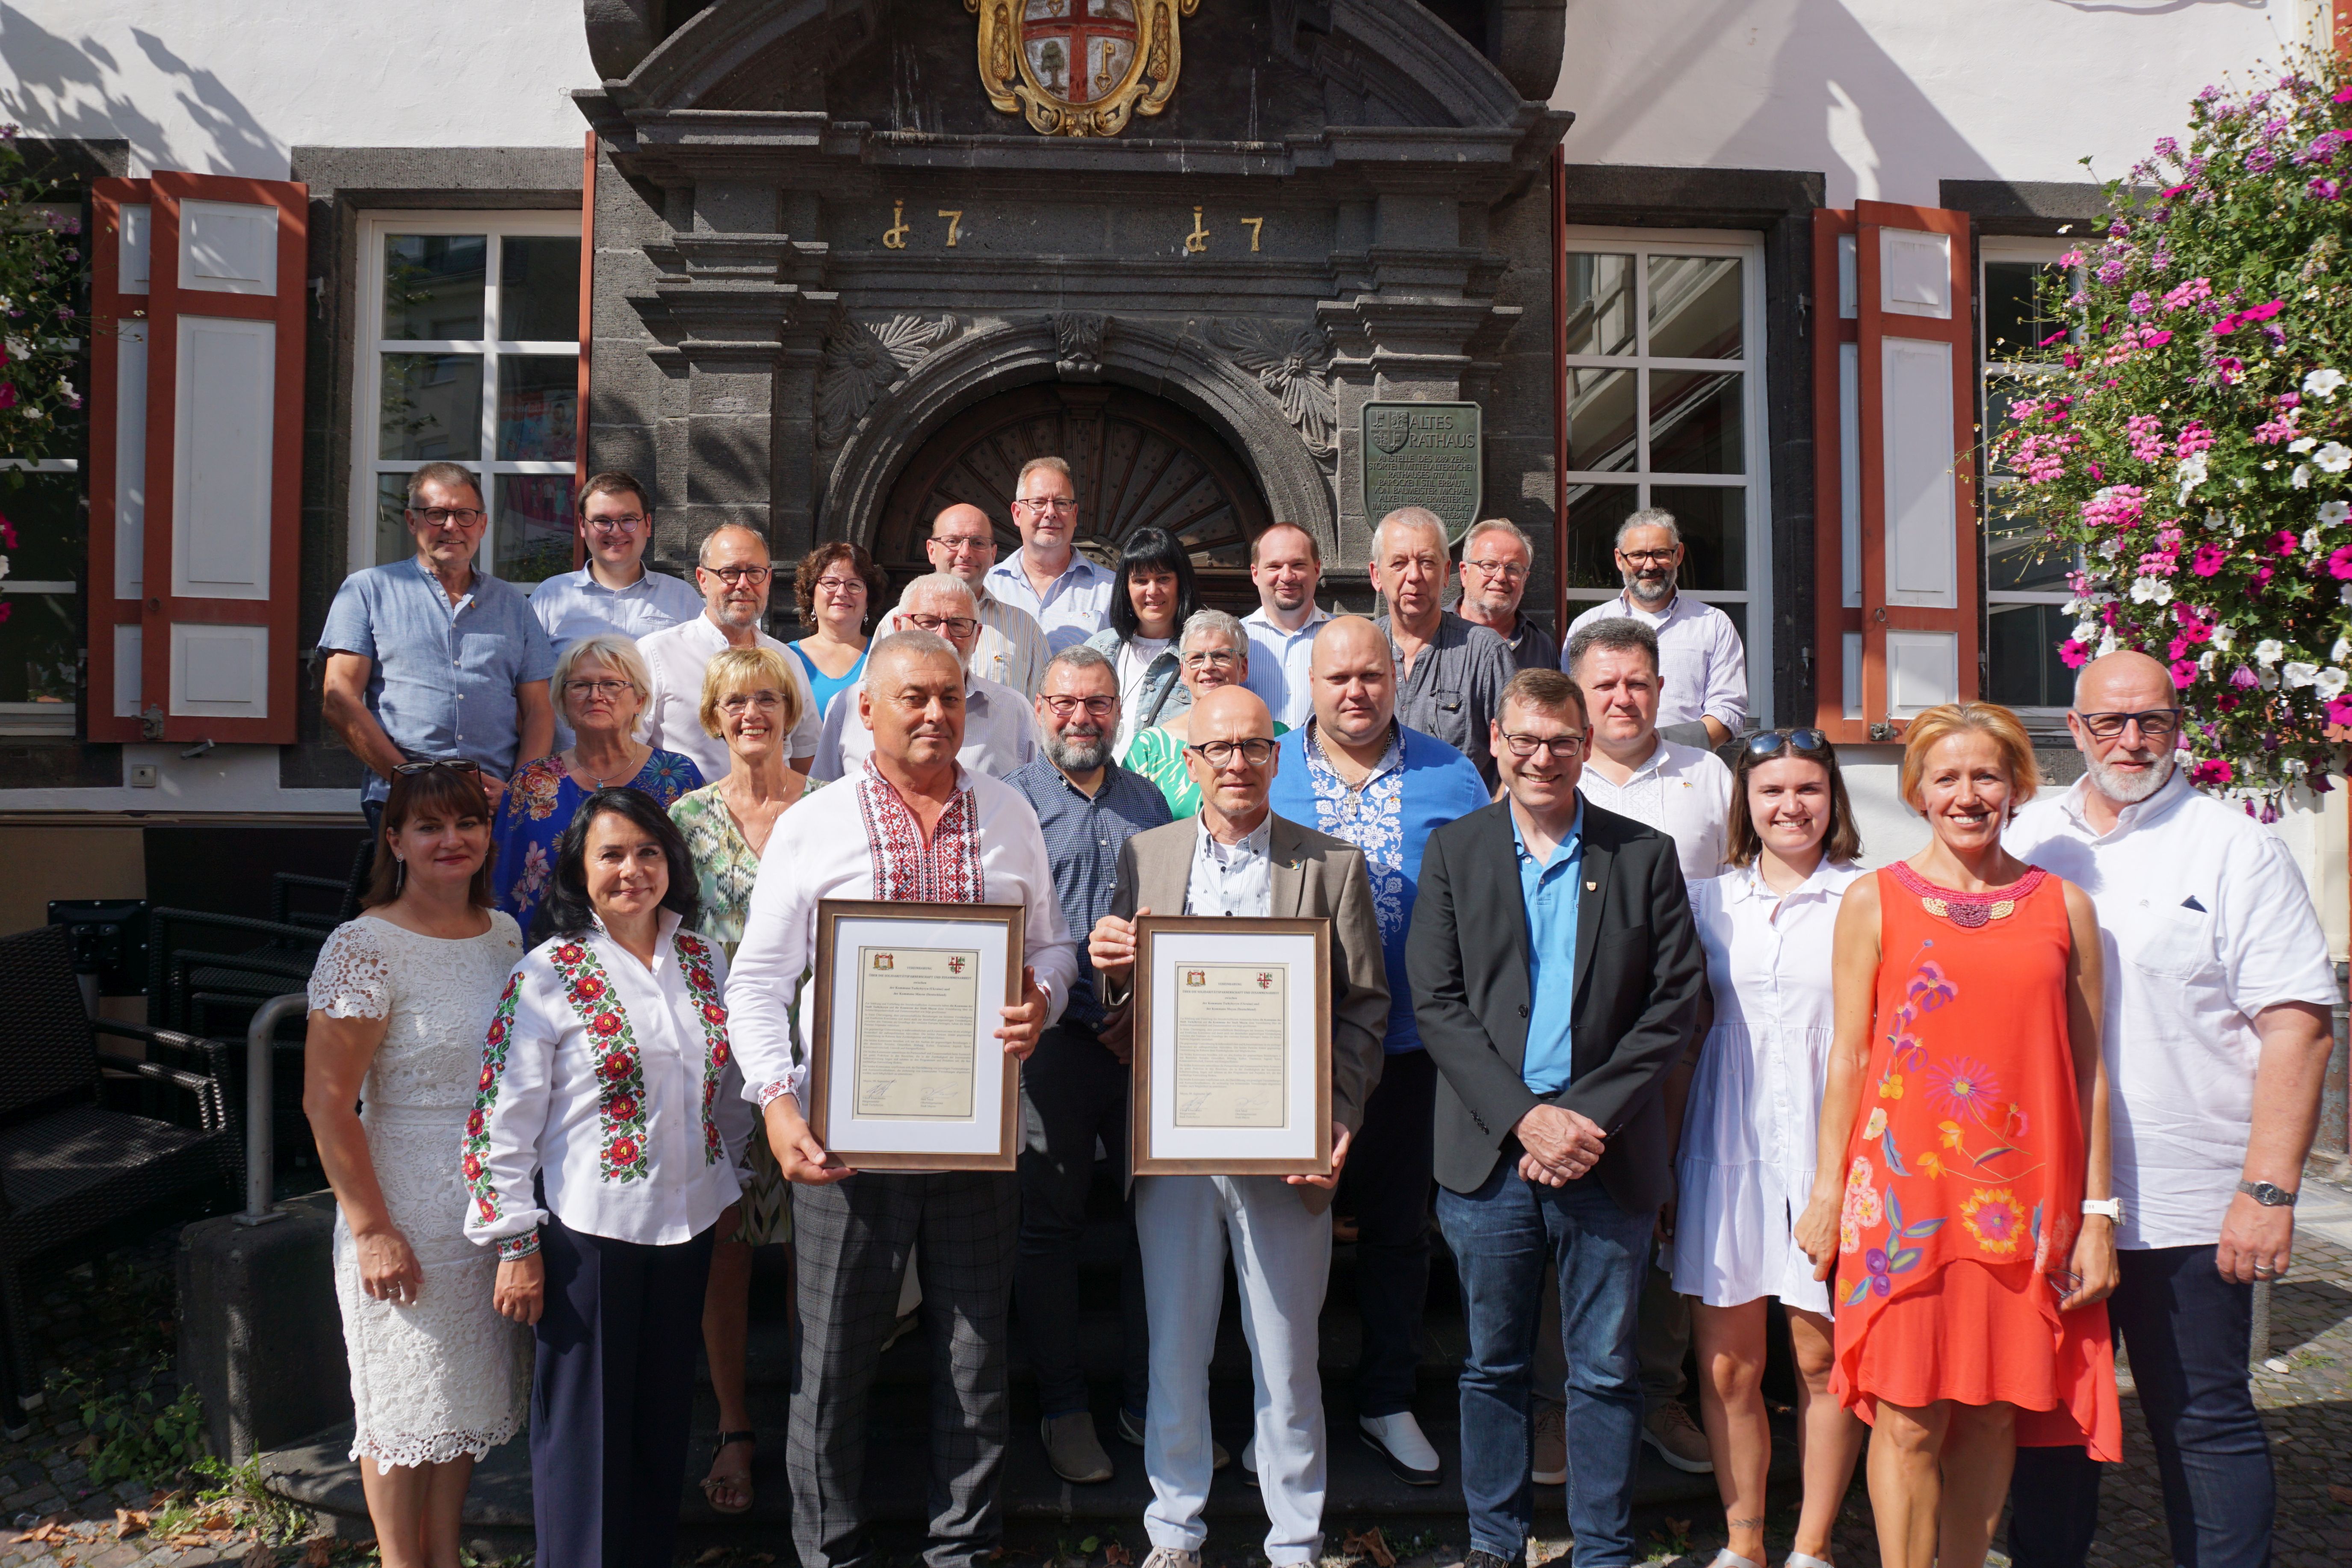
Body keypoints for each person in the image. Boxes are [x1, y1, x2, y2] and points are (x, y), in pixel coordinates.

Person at [726, 629, 1077, 1568]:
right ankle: (829, 1556)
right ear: (867, 710)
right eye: (913, 697)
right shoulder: (817, 822)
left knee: (973, 1371)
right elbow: (757, 983)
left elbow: (1052, 947)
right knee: (832, 1370)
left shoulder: (1008, 813)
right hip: (843, 1146)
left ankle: (962, 1551)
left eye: (951, 698)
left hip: (975, 1144)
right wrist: (776, 1104)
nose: (934, 714)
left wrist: (1039, 1001)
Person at [2004, 651, 2337, 1568]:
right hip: (2048, 1196)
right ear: (2072, 730)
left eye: (2149, 720)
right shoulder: (2028, 838)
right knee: (2049, 1422)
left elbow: (2298, 1027)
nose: (2130, 740)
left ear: (2178, 727)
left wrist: (2265, 1194)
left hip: (2188, 1199)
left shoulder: (2234, 847)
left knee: (2202, 1420)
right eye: (2107, 722)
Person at [1793, 703, 2120, 1568]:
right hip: (1901, 1201)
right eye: (1946, 777)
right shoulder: (1873, 900)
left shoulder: (2065, 909)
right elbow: (1848, 1060)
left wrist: (2097, 1213)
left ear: (2016, 787)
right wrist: (1828, 1194)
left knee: (1989, 1410)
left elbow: (2088, 1072)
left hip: (2024, 1206)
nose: (1967, 795)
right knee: (1903, 1417)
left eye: (1986, 776)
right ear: (1916, 792)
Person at [1406, 667, 1706, 1568]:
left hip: (1603, 1157)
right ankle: (1494, 1544)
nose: (1543, 758)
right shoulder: (1456, 850)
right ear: (1495, 742)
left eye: (1561, 743)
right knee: (1492, 1367)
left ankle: (1603, 1550)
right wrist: (1523, 1120)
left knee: (1606, 1371)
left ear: (1586, 748)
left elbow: (1673, 1002)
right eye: (1525, 740)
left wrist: (1579, 1120)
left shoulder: (1641, 854)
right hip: (1489, 1158)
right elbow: (1437, 1000)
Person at [1087, 685, 1390, 1568]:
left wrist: (1336, 1117)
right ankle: (1173, 1528)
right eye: (1217, 749)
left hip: (1286, 1148)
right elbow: (1124, 1003)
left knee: (1289, 1358)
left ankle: (1293, 1536)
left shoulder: (1331, 864)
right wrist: (1110, 969)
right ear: (1189, 762)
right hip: (1175, 1150)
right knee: (1174, 1351)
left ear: (1277, 756)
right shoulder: (1148, 853)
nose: (1235, 764)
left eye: (1254, 747)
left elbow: (1364, 1007)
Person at [465, 788, 752, 1568]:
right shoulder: (549, 972)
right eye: (612, 854)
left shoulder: (702, 958)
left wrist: (725, 1184)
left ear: (672, 861)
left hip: (687, 1228)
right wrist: (515, 1241)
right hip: (587, 1237)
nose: (633, 870)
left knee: (660, 1427)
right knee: (585, 1439)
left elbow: (724, 1091)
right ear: (580, 869)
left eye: (648, 852)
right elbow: (501, 1116)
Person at [1263, 614, 1489, 1487]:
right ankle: (1288, 1410)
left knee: (1398, 1231)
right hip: (1289, 1044)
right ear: (1308, 688)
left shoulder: (1452, 773)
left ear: (1394, 678)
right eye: (1336, 679)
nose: (1354, 692)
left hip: (1410, 1045)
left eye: (1369, 676)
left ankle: (1385, 1395)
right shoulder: (1268, 765)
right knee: (1287, 1235)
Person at [300, 762, 529, 1568]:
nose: (450, 840)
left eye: (466, 823)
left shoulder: (505, 933)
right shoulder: (363, 946)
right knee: (401, 1414)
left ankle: (444, 1553)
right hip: (396, 1199)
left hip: (481, 1202)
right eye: (429, 827)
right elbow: (328, 1104)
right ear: (394, 839)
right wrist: (371, 1230)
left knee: (457, 1399)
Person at [1673, 730, 1868, 1568]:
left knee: (1821, 1359)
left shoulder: (1868, 896)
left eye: (1808, 789)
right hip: (1725, 1140)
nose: (1790, 806)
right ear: (1744, 806)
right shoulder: (1708, 900)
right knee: (1727, 1368)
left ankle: (1813, 1545)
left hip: (1833, 1150)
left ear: (1833, 799)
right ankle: (1742, 1542)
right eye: (1771, 791)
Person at [1552, 613, 1731, 1476]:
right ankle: (1561, 1399)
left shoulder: (1707, 776)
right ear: (1578, 697)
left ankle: (1658, 1391)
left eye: (1636, 683)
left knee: (1668, 1202)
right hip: (1574, 1038)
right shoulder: (1549, 772)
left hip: (1688, 1031)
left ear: (1661, 691)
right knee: (1572, 1207)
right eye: (1604, 685)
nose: (1621, 698)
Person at [1004, 646, 1176, 1483]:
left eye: (1098, 703)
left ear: (1118, 711)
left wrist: (1140, 1005)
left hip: (1141, 1046)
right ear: (1039, 708)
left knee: (1157, 1230)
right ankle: (1063, 1407)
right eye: (1066, 702)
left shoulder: (1150, 801)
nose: (1082, 717)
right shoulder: (1009, 805)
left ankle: (1149, 1405)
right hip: (1052, 1049)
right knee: (1049, 1228)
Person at [668, 646, 813, 1517]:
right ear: (713, 716)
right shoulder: (683, 818)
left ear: (790, 711)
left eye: (766, 699)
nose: (751, 714)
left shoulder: (828, 808)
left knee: (813, 1241)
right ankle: (732, 1423)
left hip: (813, 1055)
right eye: (734, 702)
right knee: (726, 1237)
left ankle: (809, 1412)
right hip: (715, 1060)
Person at [320, 461, 555, 825]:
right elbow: (339, 700)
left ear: (482, 524)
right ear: (412, 521)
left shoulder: (514, 605)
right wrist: (406, 779)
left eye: (464, 514)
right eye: (436, 514)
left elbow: (539, 711)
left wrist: (517, 791)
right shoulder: (367, 591)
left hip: (493, 801)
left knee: (494, 886)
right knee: (410, 886)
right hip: (402, 799)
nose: (451, 526)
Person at [490, 633, 704, 937]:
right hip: (548, 965)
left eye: (612, 684)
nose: (595, 695)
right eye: (580, 685)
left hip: (653, 959)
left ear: (639, 700)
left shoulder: (678, 778)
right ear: (563, 700)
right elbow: (501, 889)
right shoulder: (530, 785)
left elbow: (695, 882)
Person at [814, 573, 1043, 781]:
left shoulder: (1013, 710)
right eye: (928, 622)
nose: (943, 636)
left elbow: (1037, 803)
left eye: (958, 624)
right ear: (898, 627)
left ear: (977, 636)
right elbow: (823, 797)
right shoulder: (849, 703)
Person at [640, 523, 821, 783]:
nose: (744, 584)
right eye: (730, 572)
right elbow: (627, 753)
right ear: (703, 580)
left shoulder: (787, 659)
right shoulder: (656, 654)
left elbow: (806, 757)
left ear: (768, 579)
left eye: (755, 572)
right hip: (683, 819)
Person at [1565, 508, 1747, 748]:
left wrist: (1662, 749)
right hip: (1604, 771)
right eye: (1638, 555)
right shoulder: (1587, 625)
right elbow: (1570, 704)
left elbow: (1729, 711)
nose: (1650, 565)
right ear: (1620, 560)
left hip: (1686, 773)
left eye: (1661, 554)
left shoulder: (1713, 624)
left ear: (1679, 554)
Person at [1369, 506, 1514, 792]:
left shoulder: (1485, 653)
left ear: (1447, 572)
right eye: (1399, 563)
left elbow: (1520, 749)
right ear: (1376, 575)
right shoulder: (1358, 648)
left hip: (1460, 830)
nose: (1414, 576)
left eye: (1427, 562)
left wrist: (1496, 820)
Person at [1121, 609, 1290, 818]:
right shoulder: (1150, 746)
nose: (1208, 666)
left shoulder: (1279, 735)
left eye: (1221, 656)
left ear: (1243, 667)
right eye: (1196, 658)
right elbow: (1130, 825)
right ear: (1183, 671)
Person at [528, 470, 703, 668]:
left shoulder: (682, 598)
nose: (616, 531)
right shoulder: (550, 597)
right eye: (602, 521)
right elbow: (526, 678)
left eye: (628, 519)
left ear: (647, 525)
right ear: (582, 526)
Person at [1086, 527, 1203, 753]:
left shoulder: (1201, 658)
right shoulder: (1098, 649)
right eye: (1141, 580)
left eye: (1163, 579)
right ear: (1126, 588)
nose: (1152, 591)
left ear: (1181, 583)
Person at [986, 455, 1117, 650]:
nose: (1050, 512)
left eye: (1062, 503)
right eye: (1038, 502)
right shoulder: (988, 587)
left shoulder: (1111, 590)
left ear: (1074, 515)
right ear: (1017, 513)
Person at [927, 502, 1052, 696]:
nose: (965, 553)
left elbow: (1043, 712)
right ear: (932, 551)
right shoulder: (900, 622)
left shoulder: (1024, 628)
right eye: (953, 541)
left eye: (978, 543)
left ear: (993, 554)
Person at [1240, 522, 1333, 727]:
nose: (1287, 577)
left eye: (1298, 565)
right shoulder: (1235, 640)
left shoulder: (1344, 637)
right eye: (1274, 566)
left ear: (1317, 569)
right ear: (1255, 574)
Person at [789, 540, 889, 730]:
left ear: (868, 599)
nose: (842, 592)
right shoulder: (785, 659)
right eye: (831, 583)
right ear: (812, 595)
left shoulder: (887, 657)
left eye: (854, 585)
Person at [1455, 519, 1558, 675]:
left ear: (1525, 579)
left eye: (1513, 568)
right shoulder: (1431, 634)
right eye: (1489, 565)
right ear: (1465, 573)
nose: (1501, 577)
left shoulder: (1541, 647)